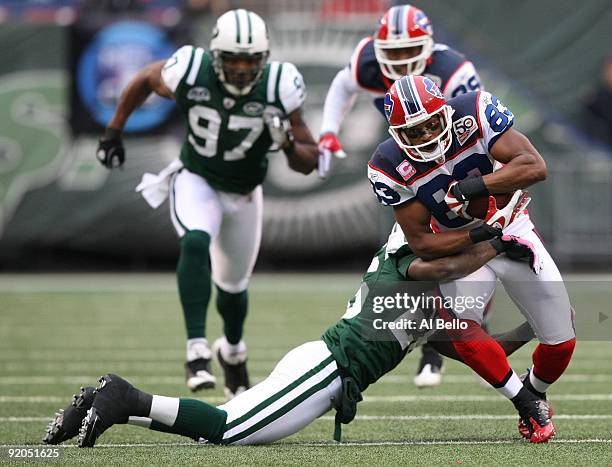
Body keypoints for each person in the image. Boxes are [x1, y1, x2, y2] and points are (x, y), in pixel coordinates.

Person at [43, 226, 537, 447]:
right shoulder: (411, 261)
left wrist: (530, 330)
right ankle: (124, 396)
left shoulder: (426, 289)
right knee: (226, 430)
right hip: (323, 371)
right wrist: (493, 244)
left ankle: (108, 403)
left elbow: (463, 345)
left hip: (324, 373)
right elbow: (455, 289)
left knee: (225, 429)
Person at [95, 9, 319, 399]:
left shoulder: (281, 84)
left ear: (264, 59)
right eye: (232, 58)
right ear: (216, 55)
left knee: (233, 287)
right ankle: (196, 350)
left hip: (245, 193)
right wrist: (114, 129)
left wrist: (284, 142)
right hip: (197, 177)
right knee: (196, 241)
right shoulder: (191, 69)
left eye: (250, 60)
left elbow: (309, 161)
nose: (241, 68)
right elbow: (145, 79)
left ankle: (232, 351)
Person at [367, 74, 576, 442]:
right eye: (414, 132)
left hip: (512, 226)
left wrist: (471, 188)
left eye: (432, 123)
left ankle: (536, 390)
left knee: (561, 341)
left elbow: (534, 166)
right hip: (456, 242)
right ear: (397, 134)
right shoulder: (387, 163)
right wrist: (480, 235)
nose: (427, 135)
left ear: (446, 112)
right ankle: (525, 402)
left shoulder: (474, 111)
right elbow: (422, 243)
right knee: (461, 327)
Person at [319, 3, 484, 388]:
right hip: (405, 152)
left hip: (452, 157)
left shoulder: (455, 74)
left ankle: (452, 334)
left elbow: (474, 128)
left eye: (410, 51)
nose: (402, 61)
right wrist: (328, 130)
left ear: (428, 47)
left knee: (466, 245)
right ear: (377, 50)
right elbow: (343, 84)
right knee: (420, 243)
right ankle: (434, 334)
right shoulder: (366, 62)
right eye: (392, 53)